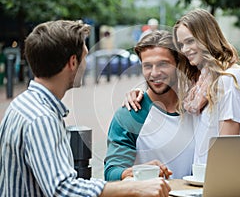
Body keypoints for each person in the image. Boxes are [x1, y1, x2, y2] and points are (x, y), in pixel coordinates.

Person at [0, 20, 170, 197]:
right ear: (73, 62)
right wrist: (134, 188)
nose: (86, 64)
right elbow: (63, 189)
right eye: (85, 57)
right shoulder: (41, 118)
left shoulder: (22, 105)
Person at [124, 8, 240, 164]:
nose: (185, 50)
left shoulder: (228, 80)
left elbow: (227, 150)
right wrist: (140, 95)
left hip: (223, 184)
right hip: (205, 181)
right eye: (181, 44)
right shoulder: (203, 84)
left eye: (190, 41)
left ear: (206, 37)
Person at [104, 30, 196, 181]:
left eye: (162, 64)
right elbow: (112, 173)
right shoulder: (131, 114)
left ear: (178, 64)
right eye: (147, 66)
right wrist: (141, 171)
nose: (154, 73)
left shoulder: (197, 108)